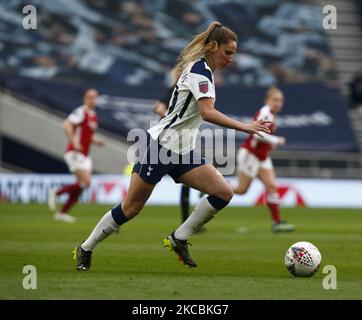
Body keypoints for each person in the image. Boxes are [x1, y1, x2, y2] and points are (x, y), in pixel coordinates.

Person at [74, 21, 271, 271]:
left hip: (182, 150)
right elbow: (207, 113)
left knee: (223, 192)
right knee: (131, 208)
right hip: (159, 146)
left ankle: (179, 238)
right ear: (213, 47)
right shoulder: (200, 72)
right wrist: (245, 127)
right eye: (228, 52)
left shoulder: (204, 71)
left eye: (233, 53)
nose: (231, 59)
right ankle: (86, 248)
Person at [233, 86, 295, 233]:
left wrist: (270, 144)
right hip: (251, 154)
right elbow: (255, 134)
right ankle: (215, 188)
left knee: (272, 186)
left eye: (280, 100)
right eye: (275, 100)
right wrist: (276, 140)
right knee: (242, 190)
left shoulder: (271, 115)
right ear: (267, 100)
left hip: (261, 156)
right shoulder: (265, 113)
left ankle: (277, 222)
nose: (278, 103)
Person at [48, 88, 104, 223]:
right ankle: (57, 193)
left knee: (82, 185)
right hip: (75, 152)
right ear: (86, 98)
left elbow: (86, 135)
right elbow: (66, 125)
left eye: (96, 97)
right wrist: (74, 142)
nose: (95, 100)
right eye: (92, 97)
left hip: (85, 155)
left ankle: (62, 213)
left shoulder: (93, 114)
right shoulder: (81, 111)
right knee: (86, 182)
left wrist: (96, 141)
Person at [153, 68, 195, 226]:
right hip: (166, 141)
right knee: (141, 190)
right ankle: (118, 214)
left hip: (180, 142)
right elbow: (159, 108)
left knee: (189, 182)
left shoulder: (187, 91)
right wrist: (170, 118)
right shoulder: (175, 88)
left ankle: (186, 221)